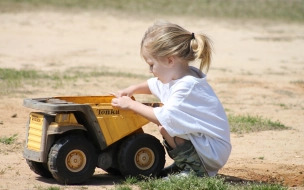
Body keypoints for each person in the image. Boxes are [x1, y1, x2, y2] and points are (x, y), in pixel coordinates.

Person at [111, 20, 231, 177]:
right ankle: (184, 165)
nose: (150, 70)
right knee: (166, 128)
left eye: (151, 64)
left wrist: (131, 105)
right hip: (207, 146)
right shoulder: (180, 77)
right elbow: (154, 85)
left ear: (169, 60)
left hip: (212, 150)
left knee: (166, 125)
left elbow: (163, 116)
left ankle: (194, 170)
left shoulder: (186, 87)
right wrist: (132, 89)